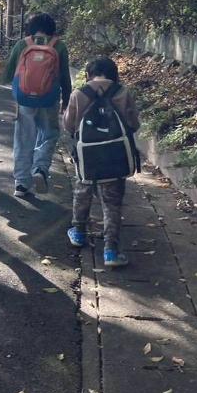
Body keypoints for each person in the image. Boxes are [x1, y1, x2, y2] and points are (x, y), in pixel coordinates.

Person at [63, 57, 140, 268]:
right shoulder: (122, 92)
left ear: (88, 74)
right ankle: (111, 251)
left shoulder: (79, 94)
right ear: (114, 74)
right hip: (115, 156)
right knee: (112, 202)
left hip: (87, 156)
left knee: (82, 191)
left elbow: (69, 125)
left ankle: (78, 232)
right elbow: (133, 123)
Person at [4, 12, 71, 198]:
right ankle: (40, 168)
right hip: (49, 98)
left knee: (23, 138)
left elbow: (8, 74)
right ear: (52, 29)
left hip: (25, 99)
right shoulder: (59, 46)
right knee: (49, 135)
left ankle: (21, 184)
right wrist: (66, 99)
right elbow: (65, 76)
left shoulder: (22, 44)